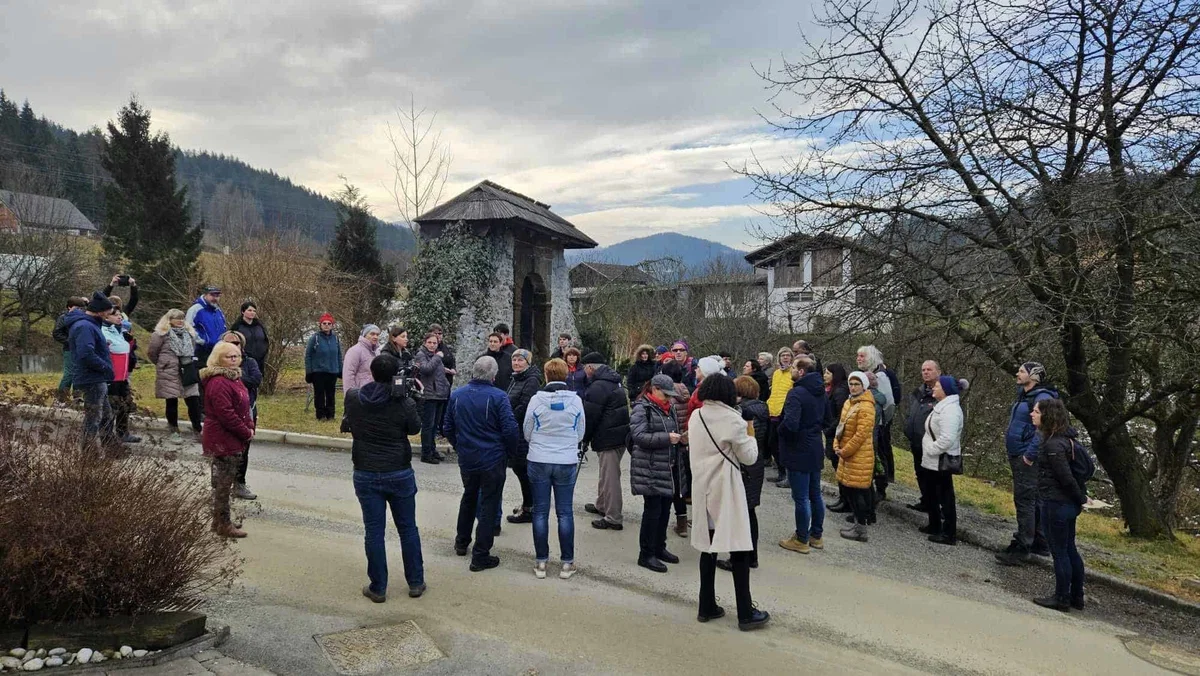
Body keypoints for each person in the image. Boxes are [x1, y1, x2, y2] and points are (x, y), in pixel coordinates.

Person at [342, 354, 426, 602]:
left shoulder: (354, 398)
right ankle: (416, 582)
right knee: (408, 528)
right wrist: (412, 401)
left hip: (366, 470)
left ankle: (378, 587)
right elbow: (414, 429)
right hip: (398, 470)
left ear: (372, 372)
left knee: (374, 531)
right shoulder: (403, 403)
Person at [689, 375, 769, 631]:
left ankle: (706, 604)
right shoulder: (734, 420)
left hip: (702, 485)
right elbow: (749, 457)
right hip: (726, 487)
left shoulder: (696, 417)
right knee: (739, 549)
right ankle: (746, 612)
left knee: (708, 546)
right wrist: (751, 432)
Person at [444, 356, 519, 572]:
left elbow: (447, 426)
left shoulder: (458, 395)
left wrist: (460, 446)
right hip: (492, 458)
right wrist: (509, 452)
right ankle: (480, 554)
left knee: (469, 497)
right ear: (494, 376)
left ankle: (461, 541)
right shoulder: (498, 397)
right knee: (488, 503)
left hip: (469, 457)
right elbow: (510, 429)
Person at [523, 358, 586, 580]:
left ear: (546, 375)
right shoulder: (576, 401)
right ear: (566, 375)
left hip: (539, 458)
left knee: (540, 511)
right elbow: (580, 432)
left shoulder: (536, 400)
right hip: (566, 460)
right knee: (565, 512)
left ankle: (541, 562)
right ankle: (567, 563)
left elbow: (527, 430)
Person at [996, 361, 1058, 566]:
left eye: (1022, 371)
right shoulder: (1025, 395)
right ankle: (1040, 542)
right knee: (1034, 499)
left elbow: (1045, 429)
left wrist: (1029, 454)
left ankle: (1023, 546)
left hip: (1027, 456)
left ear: (1034, 376)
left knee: (1024, 500)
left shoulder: (1042, 398)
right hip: (1019, 453)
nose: (1017, 373)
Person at [1030, 398, 1087, 612]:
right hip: (1067, 503)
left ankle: (1062, 597)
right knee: (1070, 548)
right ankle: (1076, 596)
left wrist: (1080, 498)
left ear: (1047, 415)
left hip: (1056, 503)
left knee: (1059, 551)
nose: (1032, 414)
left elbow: (1065, 477)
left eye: (1036, 411)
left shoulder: (1053, 444)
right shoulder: (1066, 440)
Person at [630, 374, 686, 573]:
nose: (669, 398)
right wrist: (667, 438)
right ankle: (646, 554)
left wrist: (680, 440)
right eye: (665, 394)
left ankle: (659, 547)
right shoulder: (641, 408)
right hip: (650, 467)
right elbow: (638, 436)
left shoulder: (668, 408)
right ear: (654, 389)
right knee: (652, 512)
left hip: (668, 466)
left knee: (664, 511)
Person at [201, 341, 255, 539]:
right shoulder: (218, 381)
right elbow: (226, 414)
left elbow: (244, 406)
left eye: (237, 356)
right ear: (218, 359)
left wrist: (250, 425)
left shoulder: (234, 378)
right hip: (221, 437)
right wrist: (245, 432)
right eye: (229, 356)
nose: (234, 360)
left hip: (233, 435)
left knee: (226, 481)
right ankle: (222, 523)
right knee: (223, 484)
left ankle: (220, 520)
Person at [717, 375, 768, 570]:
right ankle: (751, 555)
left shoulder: (744, 414)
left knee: (740, 513)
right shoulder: (762, 410)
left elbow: (741, 442)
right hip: (757, 465)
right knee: (749, 511)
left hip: (745, 466)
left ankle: (739, 558)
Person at [778, 356, 827, 554]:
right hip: (815, 445)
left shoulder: (796, 394)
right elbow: (828, 418)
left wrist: (780, 431)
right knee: (815, 493)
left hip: (798, 447)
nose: (790, 369)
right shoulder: (821, 392)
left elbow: (791, 423)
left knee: (801, 497)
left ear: (801, 371)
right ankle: (816, 535)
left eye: (794, 367)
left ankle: (801, 538)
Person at [580, 352, 631, 531]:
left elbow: (590, 416)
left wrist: (584, 438)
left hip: (609, 436)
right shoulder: (611, 381)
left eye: (585, 368)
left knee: (610, 478)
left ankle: (613, 517)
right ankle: (602, 505)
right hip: (617, 434)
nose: (584, 372)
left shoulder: (598, 386)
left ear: (591, 367)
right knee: (605, 473)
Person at [68, 293, 116, 450]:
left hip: (95, 377)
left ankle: (110, 449)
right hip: (91, 378)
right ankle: (89, 455)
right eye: (109, 312)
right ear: (101, 312)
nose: (110, 315)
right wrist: (105, 367)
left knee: (106, 416)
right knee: (94, 418)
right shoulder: (85, 326)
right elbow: (86, 354)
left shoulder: (90, 325)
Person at [148, 309, 203, 445]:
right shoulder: (160, 334)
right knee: (171, 401)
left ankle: (198, 429)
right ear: (169, 320)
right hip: (169, 370)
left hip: (187, 369)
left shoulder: (189, 334)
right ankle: (174, 430)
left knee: (194, 400)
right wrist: (163, 364)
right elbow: (152, 352)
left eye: (182, 318)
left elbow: (193, 349)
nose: (180, 321)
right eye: (176, 318)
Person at [921, 375, 964, 545]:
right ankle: (935, 525)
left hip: (940, 459)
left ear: (946, 390)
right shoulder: (943, 406)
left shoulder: (951, 410)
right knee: (932, 492)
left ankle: (948, 533)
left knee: (945, 495)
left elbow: (948, 438)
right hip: (933, 459)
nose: (934, 388)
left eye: (937, 386)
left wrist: (931, 449)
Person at [835, 371, 876, 542]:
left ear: (864, 386)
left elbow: (861, 435)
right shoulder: (849, 402)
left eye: (856, 384)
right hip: (846, 453)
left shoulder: (866, 407)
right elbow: (841, 426)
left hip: (859, 456)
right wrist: (836, 445)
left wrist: (845, 451)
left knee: (858, 492)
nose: (852, 387)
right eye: (851, 384)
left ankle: (861, 529)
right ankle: (857, 525)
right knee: (849, 491)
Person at [222, 331, 262, 502]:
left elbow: (256, 379)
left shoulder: (250, 362)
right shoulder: (215, 363)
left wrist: (234, 377)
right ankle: (220, 486)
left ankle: (239, 483)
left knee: (243, 449)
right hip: (224, 413)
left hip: (247, 410)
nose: (232, 346)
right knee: (222, 450)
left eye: (236, 343)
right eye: (228, 343)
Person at [856, 345, 897, 501]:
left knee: (878, 456)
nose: (859, 359)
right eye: (858, 356)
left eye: (862, 356)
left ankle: (881, 488)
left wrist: (881, 422)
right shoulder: (865, 374)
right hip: (866, 423)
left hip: (877, 425)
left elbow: (889, 403)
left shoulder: (880, 376)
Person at [505, 349, 541, 524]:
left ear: (528, 362)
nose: (517, 363)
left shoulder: (531, 380)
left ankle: (529, 508)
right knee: (519, 469)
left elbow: (525, 405)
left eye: (520, 360)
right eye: (514, 360)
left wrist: (509, 418)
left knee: (522, 469)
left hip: (521, 431)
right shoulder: (516, 378)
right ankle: (527, 503)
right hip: (513, 429)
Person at [904, 360, 942, 513]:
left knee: (934, 477)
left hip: (931, 444)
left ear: (938, 372)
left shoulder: (941, 393)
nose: (926, 372)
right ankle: (926, 500)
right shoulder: (918, 392)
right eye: (923, 370)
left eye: (929, 369)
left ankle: (937, 507)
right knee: (920, 473)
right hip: (916, 441)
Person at [661, 361, 693, 538]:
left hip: (670, 442)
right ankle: (682, 523)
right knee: (680, 484)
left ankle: (664, 521)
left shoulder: (668, 395)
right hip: (683, 442)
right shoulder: (686, 392)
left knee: (668, 483)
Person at [101, 300, 137, 446]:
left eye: (120, 315)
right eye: (115, 315)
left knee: (125, 405)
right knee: (112, 407)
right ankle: (106, 436)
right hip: (112, 376)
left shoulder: (120, 331)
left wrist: (130, 342)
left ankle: (123, 432)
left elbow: (127, 350)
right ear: (106, 317)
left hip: (123, 376)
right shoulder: (103, 330)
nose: (119, 317)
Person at [414, 332, 453, 464]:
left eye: (434, 343)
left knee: (435, 425)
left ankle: (432, 449)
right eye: (429, 342)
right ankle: (426, 453)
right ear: (425, 342)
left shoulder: (436, 356)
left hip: (440, 395)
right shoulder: (421, 354)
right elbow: (426, 369)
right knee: (428, 426)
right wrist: (437, 357)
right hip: (429, 395)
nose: (432, 345)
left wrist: (447, 373)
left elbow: (437, 372)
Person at [304, 314, 343, 421]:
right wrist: (309, 372)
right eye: (324, 323)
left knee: (331, 394)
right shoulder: (315, 338)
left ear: (332, 325)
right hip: (318, 371)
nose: (326, 325)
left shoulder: (336, 339)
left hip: (332, 371)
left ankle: (330, 415)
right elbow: (308, 355)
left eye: (329, 324)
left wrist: (340, 369)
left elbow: (339, 355)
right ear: (320, 325)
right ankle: (320, 415)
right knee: (320, 394)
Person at [765, 347, 795, 482]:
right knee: (772, 443)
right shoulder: (777, 373)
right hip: (773, 410)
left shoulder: (793, 373)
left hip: (785, 411)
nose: (785, 357)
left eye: (788, 355)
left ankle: (788, 475)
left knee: (784, 444)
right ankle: (781, 472)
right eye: (782, 355)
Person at [52, 296, 88, 401]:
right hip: (70, 348)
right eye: (77, 308)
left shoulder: (83, 317)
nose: (79, 310)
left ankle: (77, 396)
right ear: (69, 307)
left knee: (80, 372)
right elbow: (57, 333)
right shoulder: (63, 318)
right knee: (70, 373)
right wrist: (70, 341)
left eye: (81, 308)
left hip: (81, 348)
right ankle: (61, 398)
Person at [186, 285, 227, 367]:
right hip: (201, 351)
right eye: (212, 295)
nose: (215, 298)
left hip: (218, 350)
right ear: (205, 295)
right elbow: (188, 328)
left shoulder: (218, 311)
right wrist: (203, 342)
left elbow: (224, 328)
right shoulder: (195, 309)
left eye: (217, 296)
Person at [229, 301, 269, 371]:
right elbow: (232, 344)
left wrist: (264, 352)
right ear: (243, 312)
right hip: (243, 361)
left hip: (260, 360)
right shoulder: (237, 327)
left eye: (254, 311)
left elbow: (265, 340)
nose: (252, 312)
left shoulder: (259, 326)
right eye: (249, 310)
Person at [343, 324, 382, 392]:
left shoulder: (377, 352)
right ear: (365, 335)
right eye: (372, 334)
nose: (375, 337)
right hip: (360, 393)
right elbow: (348, 374)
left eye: (377, 334)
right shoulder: (354, 351)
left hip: (375, 393)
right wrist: (350, 395)